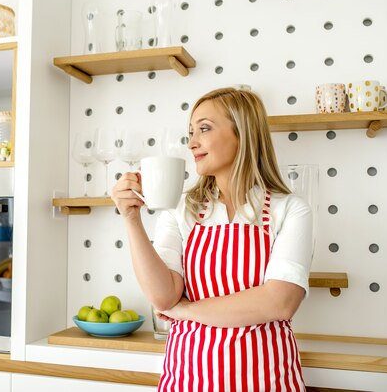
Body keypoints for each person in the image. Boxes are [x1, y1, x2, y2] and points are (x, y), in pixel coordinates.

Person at [111, 87, 312, 391]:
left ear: (243, 133)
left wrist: (185, 310)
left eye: (204, 128)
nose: (192, 143)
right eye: (190, 132)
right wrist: (131, 219)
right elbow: (163, 297)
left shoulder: (290, 209)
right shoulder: (180, 210)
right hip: (189, 380)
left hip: (268, 381)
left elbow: (280, 302)